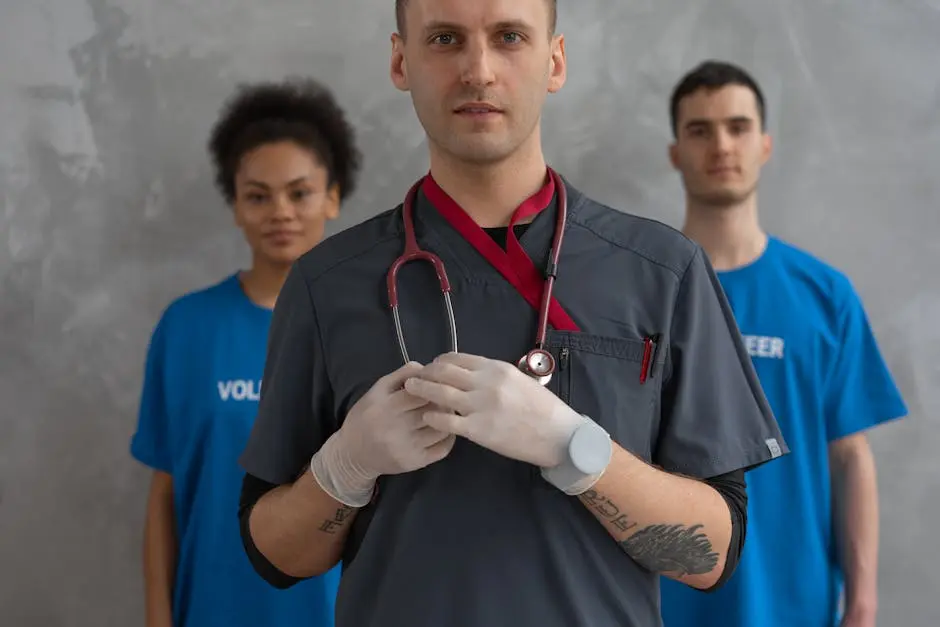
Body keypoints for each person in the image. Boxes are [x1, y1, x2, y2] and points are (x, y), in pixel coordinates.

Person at [236, 3, 789, 626]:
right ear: (400, 60)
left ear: (554, 60)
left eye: (509, 37)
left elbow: (711, 555)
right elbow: (276, 556)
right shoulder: (327, 283)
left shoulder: (663, 272)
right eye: (445, 39)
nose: (478, 70)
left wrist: (577, 450)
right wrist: (345, 467)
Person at [658, 60, 909, 627]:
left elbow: (849, 457)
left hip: (795, 603)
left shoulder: (824, 295)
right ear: (676, 152)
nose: (721, 145)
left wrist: (863, 603)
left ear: (765, 144)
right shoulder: (642, 292)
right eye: (700, 130)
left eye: (738, 127)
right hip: (664, 604)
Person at [129, 77, 362, 627]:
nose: (279, 211)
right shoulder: (186, 327)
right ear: (235, 205)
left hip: (335, 612)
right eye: (258, 195)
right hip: (212, 609)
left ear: (332, 195)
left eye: (299, 192)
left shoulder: (369, 328)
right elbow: (164, 496)